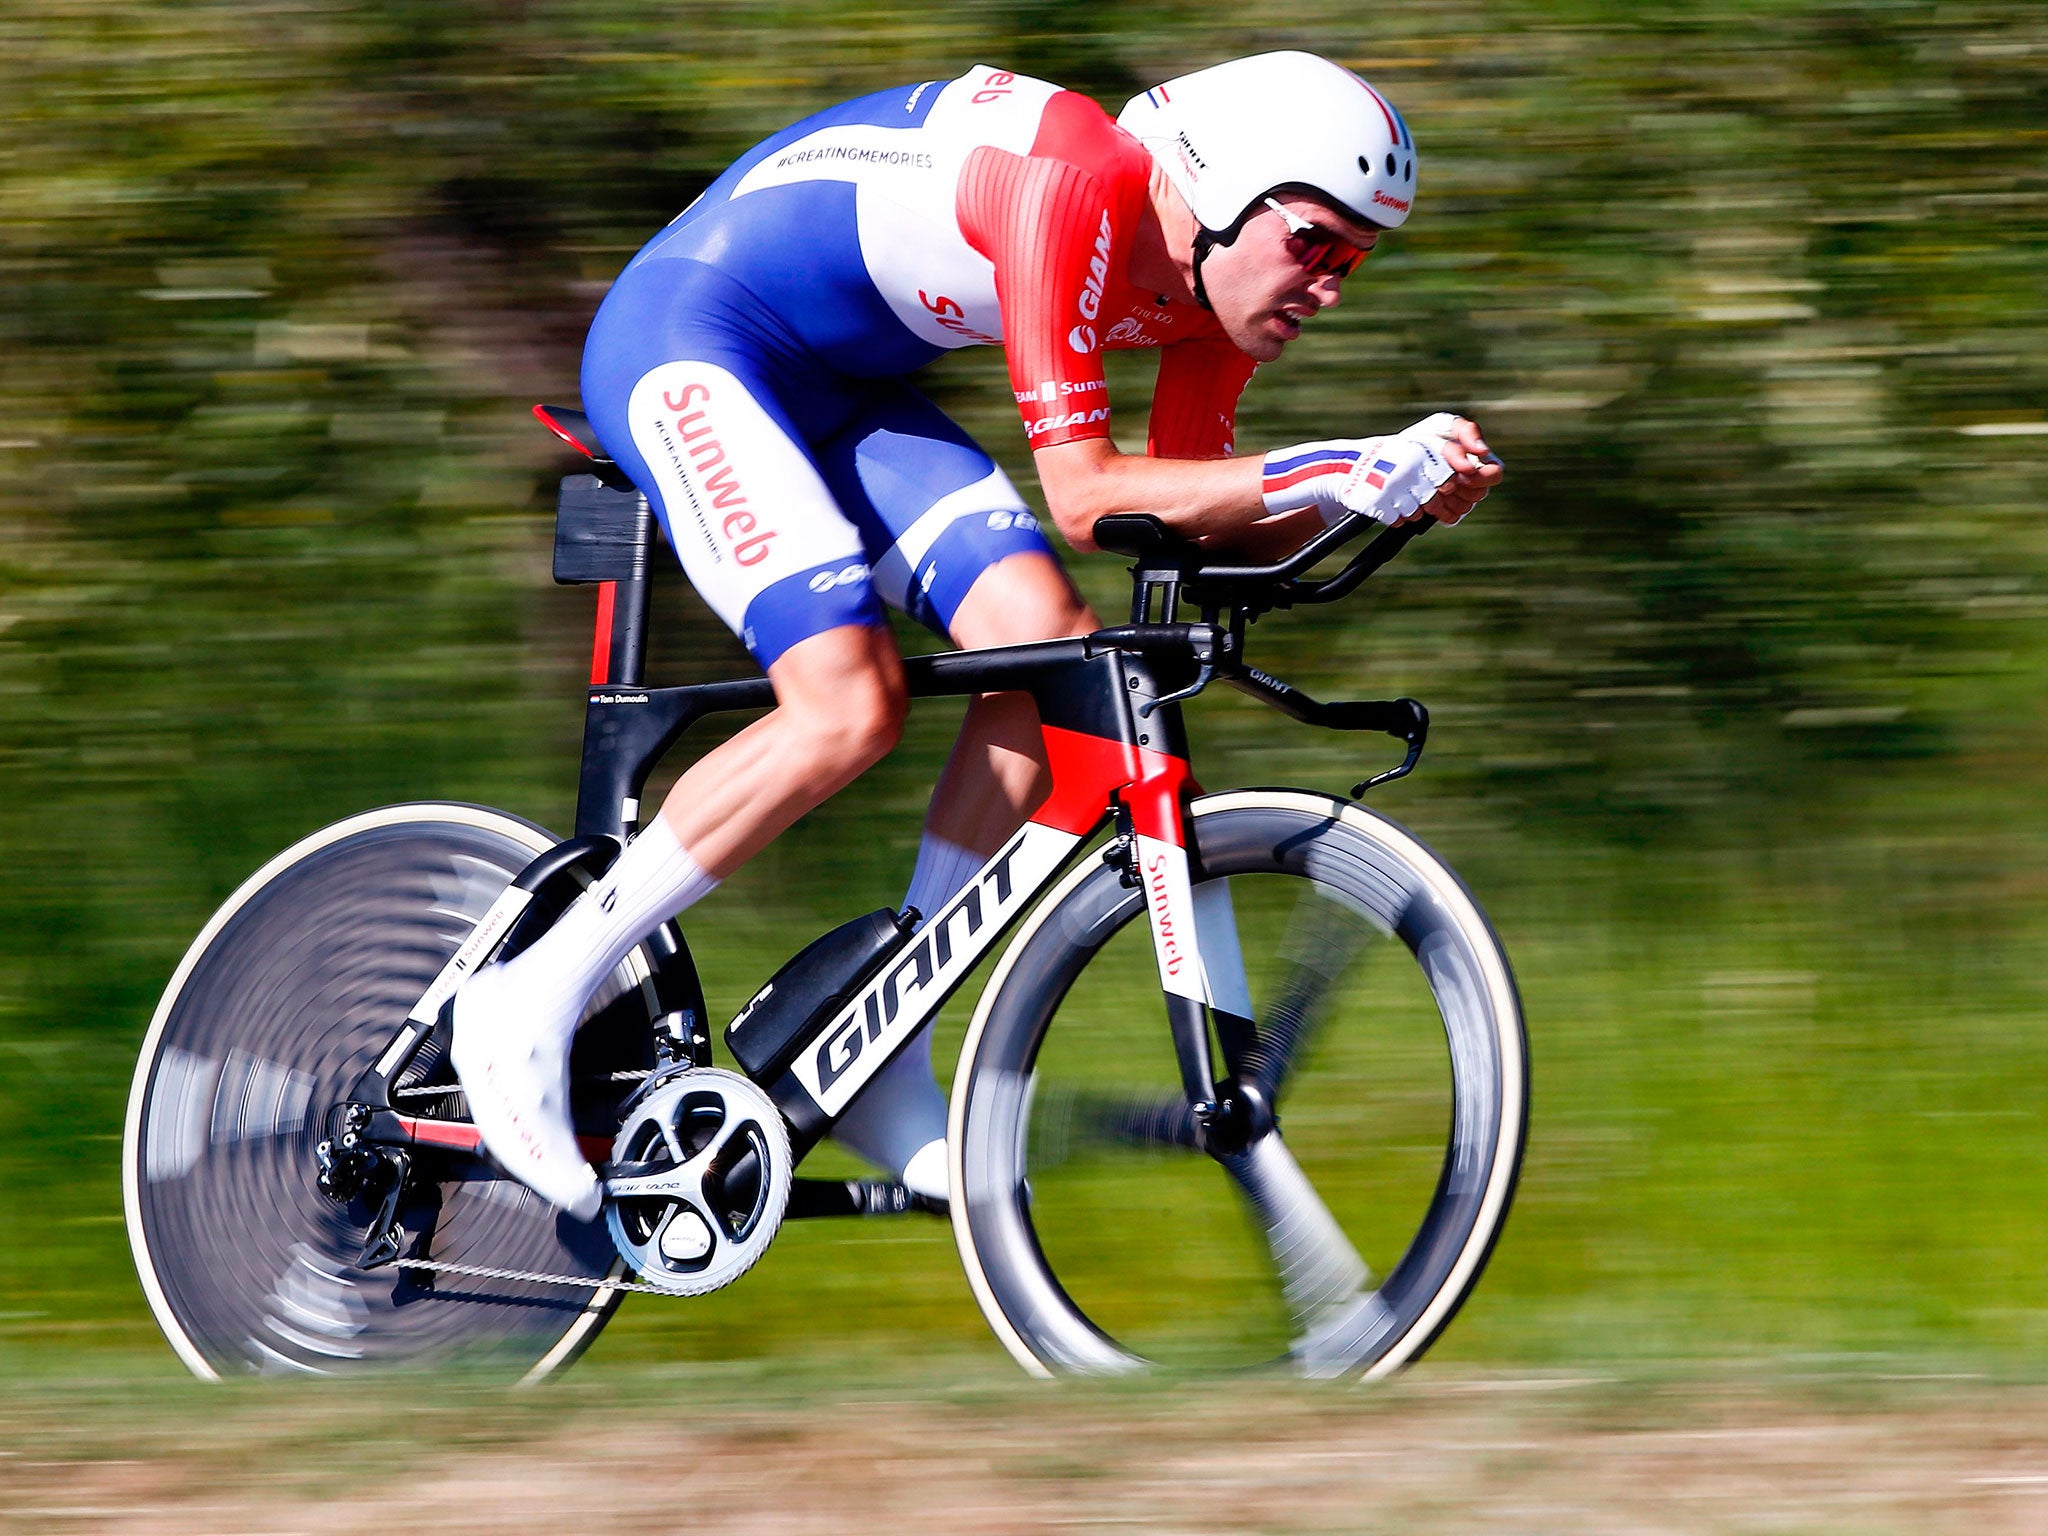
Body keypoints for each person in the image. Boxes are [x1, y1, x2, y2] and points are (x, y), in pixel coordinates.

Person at [450, 51, 1504, 1219]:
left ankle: (884, 1034)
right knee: (845, 706)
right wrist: (1335, 464)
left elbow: (1180, 523)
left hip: (839, 395)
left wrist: (1374, 493)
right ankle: (532, 997)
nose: (1330, 284)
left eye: (1352, 260)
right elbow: (1085, 495)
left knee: (1045, 647)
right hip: (691, 337)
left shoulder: (1205, 309)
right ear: (1220, 189)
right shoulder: (1072, 179)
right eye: (1312, 242)